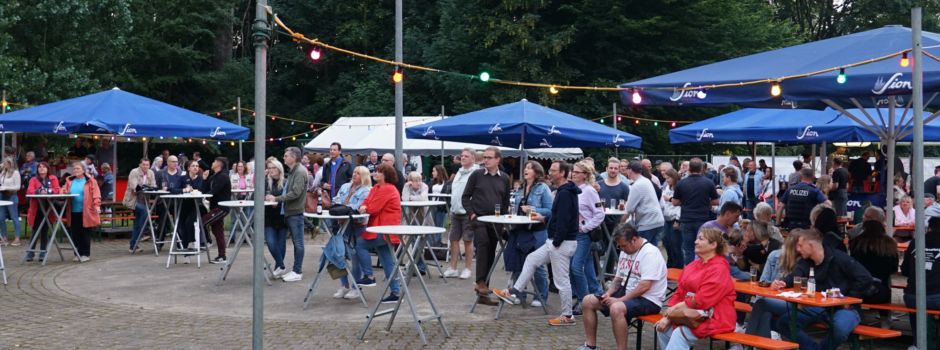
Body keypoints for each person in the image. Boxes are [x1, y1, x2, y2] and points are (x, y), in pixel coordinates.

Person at [492, 160, 580, 326]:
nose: (550, 173)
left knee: (562, 281)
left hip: (561, 242)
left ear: (562, 173)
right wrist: (544, 218)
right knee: (531, 259)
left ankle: (567, 316)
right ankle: (513, 292)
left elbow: (565, 220)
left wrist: (556, 242)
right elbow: (558, 216)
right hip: (555, 241)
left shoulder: (566, 193)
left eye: (553, 170)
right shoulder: (562, 191)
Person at [769, 229, 874, 350]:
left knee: (840, 329)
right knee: (785, 322)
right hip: (819, 307)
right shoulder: (806, 262)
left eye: (800, 245)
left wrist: (849, 298)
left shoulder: (839, 258)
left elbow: (865, 277)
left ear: (811, 245)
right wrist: (782, 283)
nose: (798, 249)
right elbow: (795, 277)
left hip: (844, 308)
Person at [578, 224, 667, 350]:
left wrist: (620, 300)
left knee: (616, 308)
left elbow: (644, 286)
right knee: (588, 301)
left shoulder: (650, 253)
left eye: (623, 245)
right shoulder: (625, 251)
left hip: (649, 299)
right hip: (628, 294)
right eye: (619, 246)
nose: (621, 249)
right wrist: (608, 293)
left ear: (634, 239)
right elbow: (618, 279)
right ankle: (590, 346)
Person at [655, 227, 736, 350]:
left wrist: (672, 313)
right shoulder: (692, 266)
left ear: (713, 245)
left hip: (715, 316)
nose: (695, 242)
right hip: (689, 313)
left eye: (701, 239)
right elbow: (679, 292)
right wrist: (668, 318)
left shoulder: (720, 268)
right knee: (662, 329)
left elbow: (702, 301)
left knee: (679, 333)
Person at [463, 146, 511, 305]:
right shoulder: (476, 175)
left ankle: (483, 294)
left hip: (496, 221)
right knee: (483, 246)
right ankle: (480, 282)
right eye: (484, 157)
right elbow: (465, 197)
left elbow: (505, 201)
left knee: (491, 253)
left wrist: (503, 219)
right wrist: (472, 214)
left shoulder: (504, 178)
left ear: (498, 159)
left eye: (489, 157)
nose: (486, 160)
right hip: (479, 219)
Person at [504, 160, 552, 307]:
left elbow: (550, 210)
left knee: (537, 265)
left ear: (537, 172)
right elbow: (517, 209)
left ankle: (541, 296)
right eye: (525, 167)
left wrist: (531, 209)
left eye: (530, 168)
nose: (526, 170)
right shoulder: (520, 188)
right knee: (518, 262)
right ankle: (520, 294)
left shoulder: (543, 188)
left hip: (536, 231)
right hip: (520, 229)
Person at [356, 163, 403, 303]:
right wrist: (365, 206)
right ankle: (396, 292)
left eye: (379, 172)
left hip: (385, 230)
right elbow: (367, 201)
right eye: (376, 171)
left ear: (385, 175)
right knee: (387, 261)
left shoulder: (388, 189)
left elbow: (373, 207)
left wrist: (365, 207)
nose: (375, 173)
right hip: (380, 229)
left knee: (359, 244)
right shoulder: (377, 187)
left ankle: (369, 276)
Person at [328, 165, 372, 299]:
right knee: (336, 254)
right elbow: (335, 200)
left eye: (358, 173)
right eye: (354, 172)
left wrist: (342, 207)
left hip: (356, 226)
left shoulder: (366, 191)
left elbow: (358, 207)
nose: (354, 175)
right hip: (340, 224)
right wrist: (343, 207)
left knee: (355, 257)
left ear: (363, 176)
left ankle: (356, 287)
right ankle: (344, 285)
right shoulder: (345, 186)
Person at [265, 148, 308, 281]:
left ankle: (297, 271)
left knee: (298, 243)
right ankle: (292, 269)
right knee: (296, 242)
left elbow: (296, 193)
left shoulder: (299, 171)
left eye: (286, 156)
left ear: (293, 157)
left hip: (295, 212)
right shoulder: (294, 171)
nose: (284, 158)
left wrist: (276, 199)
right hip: (290, 212)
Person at [901, 217, 940, 347]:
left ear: (929, 228)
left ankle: (918, 342)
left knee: (917, 308)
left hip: (912, 297)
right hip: (936, 297)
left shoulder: (915, 242)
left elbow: (905, 270)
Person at [673, 158, 720, 265]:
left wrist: (685, 201)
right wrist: (705, 202)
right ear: (702, 168)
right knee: (703, 247)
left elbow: (675, 202)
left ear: (689, 168)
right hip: (702, 219)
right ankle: (703, 270)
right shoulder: (708, 183)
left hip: (686, 219)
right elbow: (716, 201)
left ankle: (690, 272)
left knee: (688, 249)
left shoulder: (681, 183)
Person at [571, 160, 605, 306]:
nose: (573, 174)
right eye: (573, 171)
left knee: (575, 267)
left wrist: (585, 228)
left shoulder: (589, 191)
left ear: (585, 175)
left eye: (577, 172)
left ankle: (583, 300)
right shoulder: (572, 188)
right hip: (573, 233)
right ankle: (597, 292)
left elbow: (600, 213)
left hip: (584, 234)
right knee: (587, 263)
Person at [444, 148, 478, 280]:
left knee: (468, 240)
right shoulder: (459, 171)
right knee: (453, 239)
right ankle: (453, 268)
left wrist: (473, 211)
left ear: (473, 159)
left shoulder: (476, 173)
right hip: (455, 210)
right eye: (462, 156)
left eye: (466, 156)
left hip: (467, 212)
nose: (463, 158)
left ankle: (467, 268)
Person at [61, 161, 101, 262]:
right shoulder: (69, 180)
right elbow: (62, 190)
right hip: (73, 211)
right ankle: (77, 253)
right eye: (74, 169)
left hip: (86, 211)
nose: (75, 171)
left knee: (85, 233)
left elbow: (96, 194)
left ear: (83, 170)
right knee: (75, 233)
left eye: (78, 168)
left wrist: (97, 205)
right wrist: (65, 191)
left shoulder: (90, 181)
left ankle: (85, 254)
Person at [849, 220, 896, 304]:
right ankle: (884, 314)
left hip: (858, 289)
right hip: (880, 291)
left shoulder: (857, 242)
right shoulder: (890, 244)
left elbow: (852, 266)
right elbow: (894, 268)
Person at [622, 160, 665, 247]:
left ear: (630, 170)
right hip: (657, 220)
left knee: (642, 250)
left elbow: (629, 209)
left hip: (647, 223)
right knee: (652, 250)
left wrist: (620, 223)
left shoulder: (637, 185)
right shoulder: (646, 180)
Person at [24, 162, 60, 261]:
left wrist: (48, 191)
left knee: (44, 230)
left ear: (48, 169)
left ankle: (43, 253)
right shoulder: (33, 179)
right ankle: (30, 253)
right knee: (35, 230)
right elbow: (29, 191)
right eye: (39, 167)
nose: (42, 168)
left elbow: (57, 190)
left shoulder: (53, 178)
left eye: (44, 167)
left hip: (49, 208)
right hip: (37, 208)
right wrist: (39, 191)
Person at [204, 157, 233, 264]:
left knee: (202, 222)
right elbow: (206, 189)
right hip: (214, 207)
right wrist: (205, 179)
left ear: (219, 164)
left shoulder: (223, 177)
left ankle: (205, 242)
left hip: (221, 208)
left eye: (214, 161)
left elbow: (213, 191)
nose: (212, 163)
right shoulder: (213, 177)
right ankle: (222, 256)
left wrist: (203, 195)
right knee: (217, 231)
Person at [177, 160, 206, 263]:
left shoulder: (200, 179)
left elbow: (201, 190)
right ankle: (186, 255)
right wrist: (184, 190)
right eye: (193, 166)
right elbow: (174, 189)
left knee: (189, 222)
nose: (195, 168)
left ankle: (193, 240)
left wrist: (193, 190)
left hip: (195, 206)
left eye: (197, 166)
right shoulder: (182, 178)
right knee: (183, 227)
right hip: (183, 205)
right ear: (188, 168)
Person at [124, 158, 155, 253]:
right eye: (144, 164)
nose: (145, 166)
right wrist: (146, 188)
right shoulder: (134, 172)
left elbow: (153, 186)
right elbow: (135, 187)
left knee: (137, 224)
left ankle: (133, 244)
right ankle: (146, 231)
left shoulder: (151, 173)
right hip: (133, 201)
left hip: (144, 201)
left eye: (147, 165)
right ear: (140, 165)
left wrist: (148, 188)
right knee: (145, 213)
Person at [263, 159, 288, 278]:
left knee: (281, 243)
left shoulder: (285, 182)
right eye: (269, 168)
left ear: (279, 169)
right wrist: (265, 197)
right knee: (271, 242)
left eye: (274, 168)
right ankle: (281, 265)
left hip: (282, 216)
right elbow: (255, 194)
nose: (271, 170)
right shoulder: (265, 181)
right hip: (268, 216)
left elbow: (287, 197)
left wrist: (276, 200)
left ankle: (278, 267)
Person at [661, 169, 683, 268]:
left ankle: (678, 266)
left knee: (676, 244)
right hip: (667, 218)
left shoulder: (678, 187)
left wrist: (678, 220)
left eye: (669, 178)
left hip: (674, 218)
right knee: (667, 242)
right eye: (666, 178)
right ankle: (670, 264)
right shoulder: (667, 187)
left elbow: (681, 205)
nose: (667, 180)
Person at [0, 158, 21, 246]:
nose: (4, 164)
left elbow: (18, 187)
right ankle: (4, 237)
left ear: (10, 164)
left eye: (5, 163)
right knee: (1, 217)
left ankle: (17, 238)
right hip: (2, 195)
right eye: (3, 163)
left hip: (12, 195)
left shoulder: (15, 173)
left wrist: (7, 188)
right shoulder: (3, 173)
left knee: (14, 217)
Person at [428, 164, 450, 229]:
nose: (432, 173)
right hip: (432, 206)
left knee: (439, 226)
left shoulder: (447, 183)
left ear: (439, 172)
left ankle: (437, 239)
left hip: (441, 208)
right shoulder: (432, 182)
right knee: (431, 225)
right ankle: (432, 239)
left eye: (434, 171)